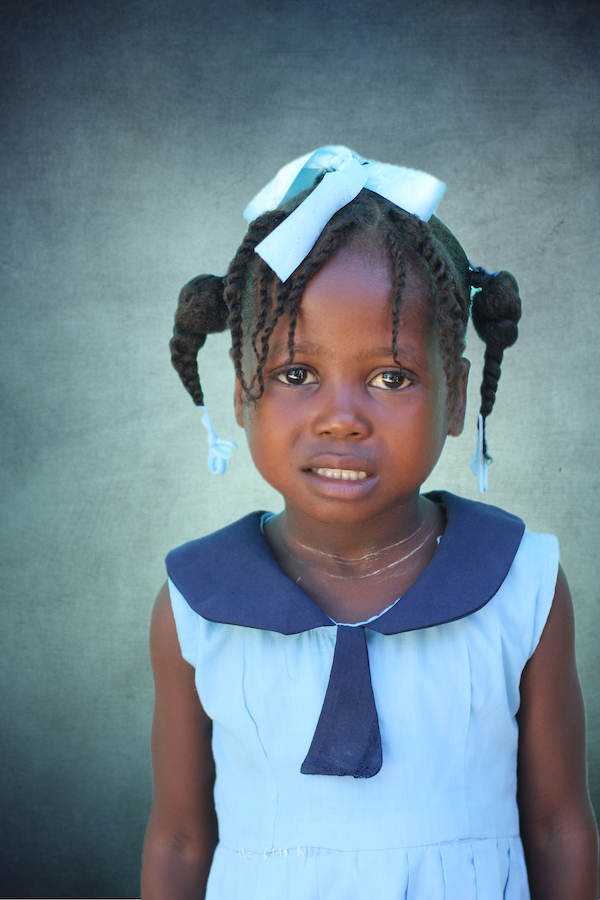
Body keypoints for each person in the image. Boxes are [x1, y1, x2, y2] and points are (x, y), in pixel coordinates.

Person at [141, 147, 599, 899]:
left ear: (456, 397)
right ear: (242, 394)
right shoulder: (194, 604)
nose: (342, 418)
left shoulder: (523, 585)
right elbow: (181, 838)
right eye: (296, 374)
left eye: (391, 376)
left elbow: (557, 825)